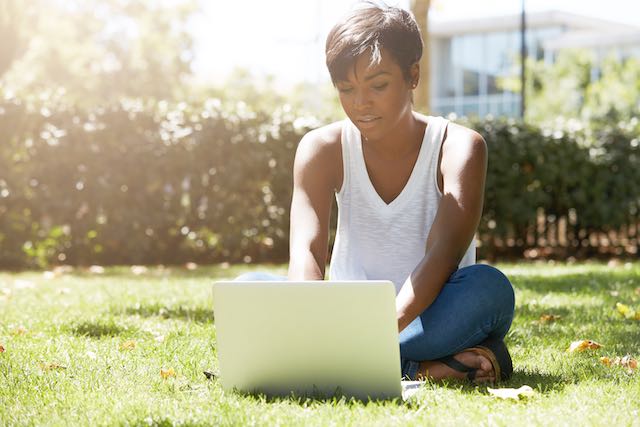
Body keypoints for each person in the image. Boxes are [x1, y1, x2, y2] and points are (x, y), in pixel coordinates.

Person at [236, 3, 515, 383]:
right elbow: (307, 251)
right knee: (247, 291)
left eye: (378, 85)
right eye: (346, 89)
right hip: (345, 312)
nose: (360, 103)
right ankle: (425, 369)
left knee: (489, 290)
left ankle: (331, 362)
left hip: (429, 312)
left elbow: (443, 254)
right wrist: (303, 321)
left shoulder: (460, 147)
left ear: (412, 75)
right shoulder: (322, 148)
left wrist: (373, 333)